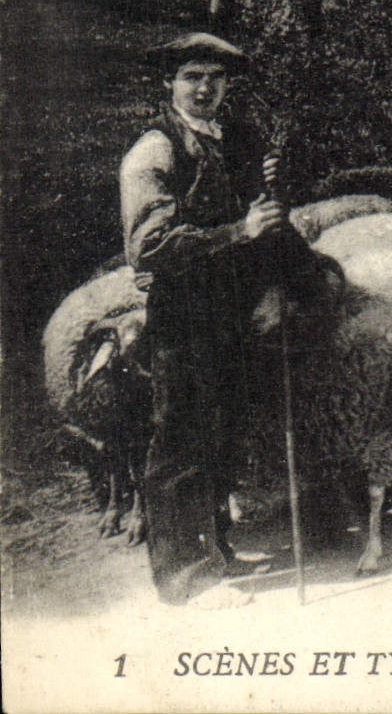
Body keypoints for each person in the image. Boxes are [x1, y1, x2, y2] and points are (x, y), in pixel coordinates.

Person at [120, 33, 300, 604]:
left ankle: (215, 550)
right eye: (192, 77)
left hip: (234, 309)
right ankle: (185, 578)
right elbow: (148, 248)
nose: (204, 89)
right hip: (184, 313)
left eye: (215, 79)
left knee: (222, 434)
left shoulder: (236, 138)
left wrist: (271, 202)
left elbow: (264, 214)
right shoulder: (155, 150)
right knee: (182, 439)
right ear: (168, 83)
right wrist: (236, 232)